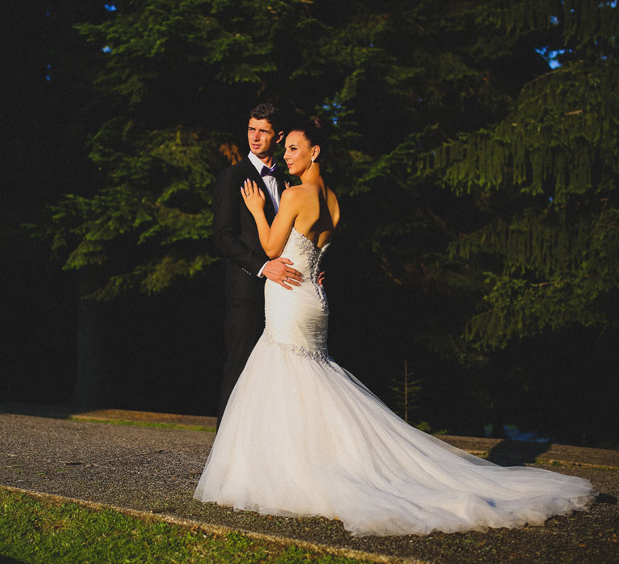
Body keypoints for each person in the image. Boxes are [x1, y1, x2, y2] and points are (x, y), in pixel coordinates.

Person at [195, 118, 594, 536]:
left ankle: (297, 468)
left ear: (315, 152)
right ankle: (311, 460)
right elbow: (317, 250)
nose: (286, 155)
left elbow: (271, 247)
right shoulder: (333, 200)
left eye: (294, 148)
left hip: (291, 296)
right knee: (311, 378)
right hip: (315, 296)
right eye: (286, 148)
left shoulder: (295, 194)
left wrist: (257, 211)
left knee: (289, 373)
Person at [212, 103, 303, 429]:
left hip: (285, 292)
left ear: (278, 137)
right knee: (239, 366)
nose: (255, 137)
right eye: (252, 129)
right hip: (247, 289)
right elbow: (222, 237)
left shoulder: (289, 180)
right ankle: (225, 446)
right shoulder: (232, 177)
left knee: (278, 370)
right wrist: (264, 267)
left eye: (263, 131)